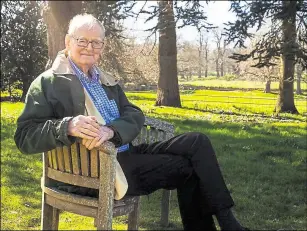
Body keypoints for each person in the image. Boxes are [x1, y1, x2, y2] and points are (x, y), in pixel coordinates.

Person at [14, 14, 249, 231]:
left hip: (123, 150)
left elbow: (134, 113)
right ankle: (225, 224)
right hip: (95, 170)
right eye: (82, 40)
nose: (90, 47)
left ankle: (227, 219)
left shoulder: (105, 79)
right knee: (187, 169)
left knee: (197, 141)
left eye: (96, 42)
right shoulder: (48, 82)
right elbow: (24, 136)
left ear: (103, 47)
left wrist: (113, 131)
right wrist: (66, 126)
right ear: (67, 42)